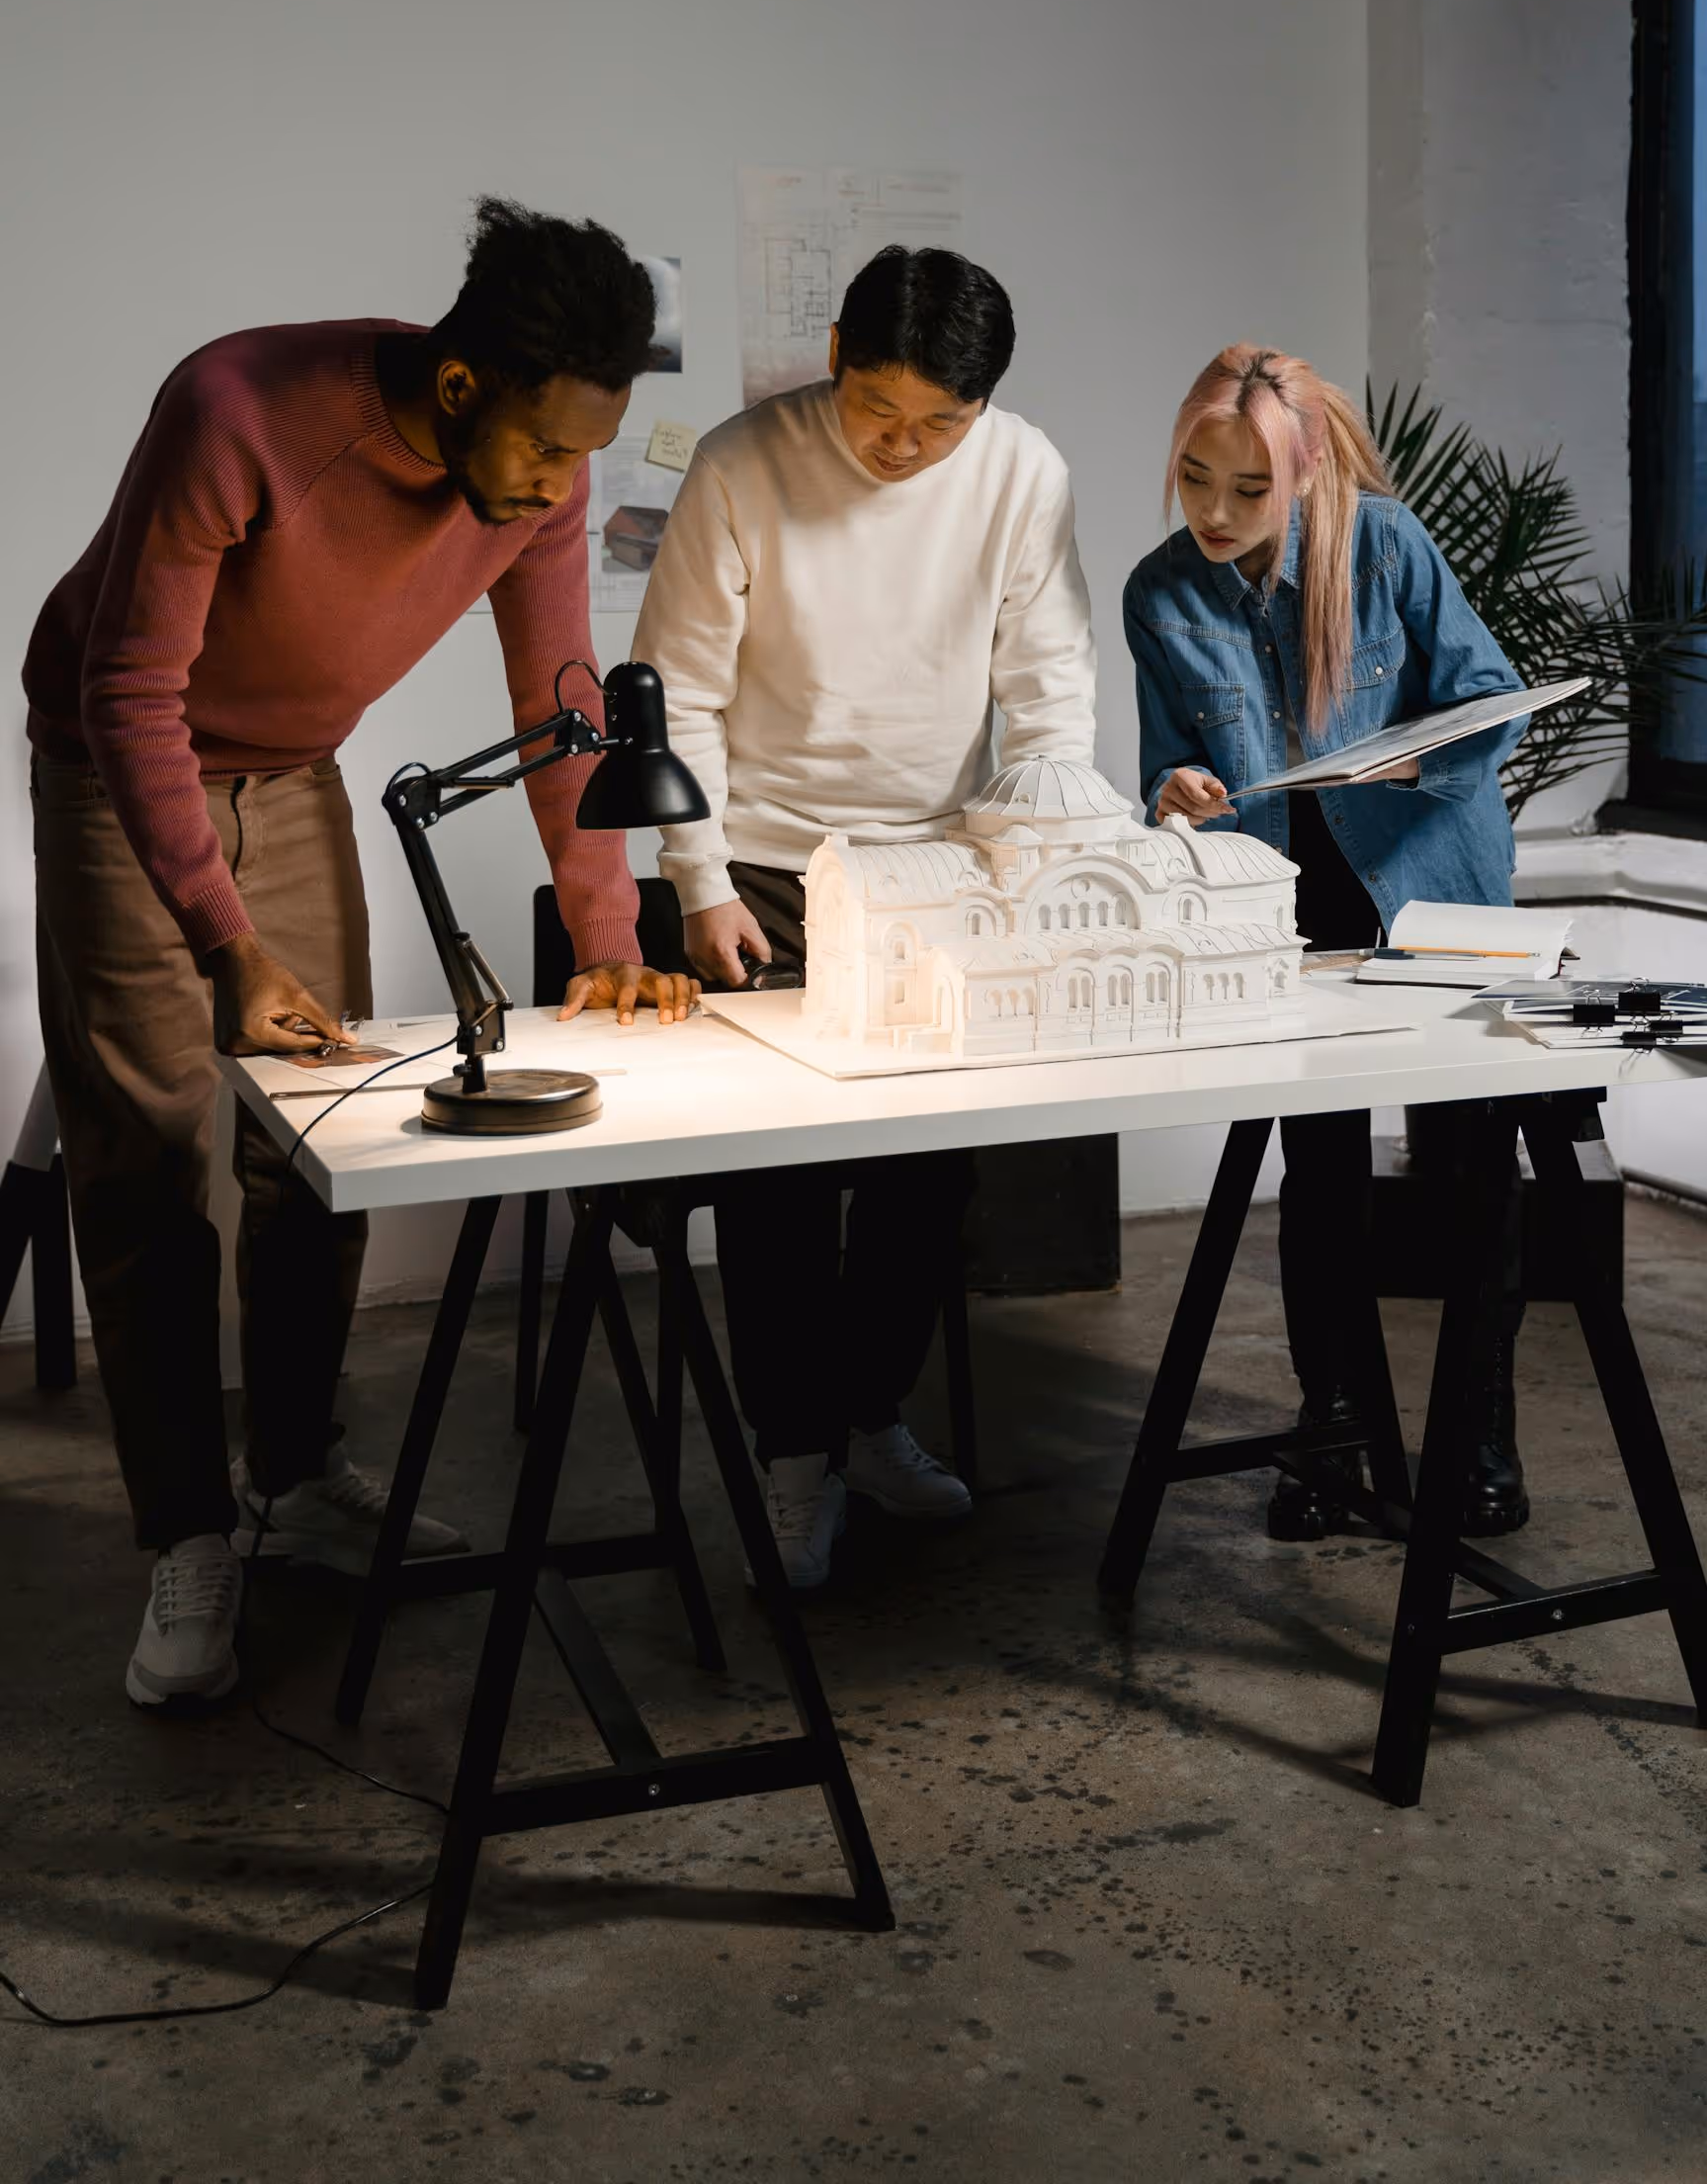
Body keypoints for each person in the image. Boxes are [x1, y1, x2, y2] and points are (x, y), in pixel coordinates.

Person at [26, 199, 699, 1710]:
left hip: (296, 764)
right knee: (145, 1156)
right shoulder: (238, 410)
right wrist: (225, 938)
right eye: (542, 447)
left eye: (587, 452)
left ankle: (298, 1473)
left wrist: (607, 934)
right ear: (458, 390)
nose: (556, 484)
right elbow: (134, 691)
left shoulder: (548, 467)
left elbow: (562, 698)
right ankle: (189, 1537)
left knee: (319, 1139)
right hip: (115, 762)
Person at [635, 245, 1096, 1588]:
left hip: (941, 860)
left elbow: (1050, 678)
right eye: (879, 412)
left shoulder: (1021, 472)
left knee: (927, 1174)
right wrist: (700, 881)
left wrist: (1051, 846)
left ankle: (869, 1420)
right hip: (769, 865)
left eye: (939, 425)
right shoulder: (740, 465)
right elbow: (681, 696)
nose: (904, 448)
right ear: (835, 352)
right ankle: (791, 1460)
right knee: (777, 1184)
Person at [1124, 344, 1532, 1540]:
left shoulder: (1386, 547)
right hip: (1288, 913)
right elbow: (1164, 762)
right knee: (1322, 1177)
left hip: (1430, 888)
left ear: (1303, 476)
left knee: (1471, 1172)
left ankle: (1480, 1440)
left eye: (1247, 490)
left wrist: (1417, 755)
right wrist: (1177, 787)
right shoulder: (1162, 593)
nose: (1211, 511)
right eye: (1195, 477)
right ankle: (1338, 1431)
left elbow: (1489, 691)